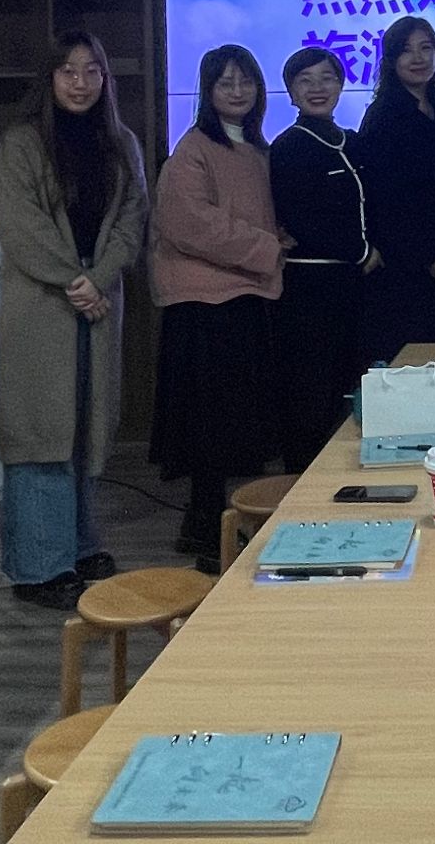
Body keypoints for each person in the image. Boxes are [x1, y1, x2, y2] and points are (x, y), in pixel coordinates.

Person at [0, 31, 148, 610]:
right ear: (50, 78)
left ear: (106, 79)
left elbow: (133, 218)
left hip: (96, 299)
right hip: (43, 304)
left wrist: (98, 277)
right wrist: (76, 282)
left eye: (92, 71)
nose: (80, 83)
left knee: (86, 426)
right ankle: (38, 567)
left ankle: (79, 546)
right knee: (41, 431)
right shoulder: (22, 142)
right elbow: (19, 225)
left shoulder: (122, 143)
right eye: (68, 71)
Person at [148, 44, 284, 568]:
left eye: (246, 81)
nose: (237, 91)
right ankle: (207, 530)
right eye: (225, 82)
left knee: (234, 422)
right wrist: (267, 248)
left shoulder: (257, 147)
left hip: (243, 297)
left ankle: (218, 526)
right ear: (207, 91)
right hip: (203, 306)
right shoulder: (193, 149)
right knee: (208, 426)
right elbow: (189, 224)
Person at [269, 47, 379, 467]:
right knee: (308, 395)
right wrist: (362, 251)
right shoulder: (289, 146)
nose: (318, 88)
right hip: (308, 288)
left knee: (345, 390)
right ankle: (301, 483)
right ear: (290, 91)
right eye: (305, 80)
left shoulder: (352, 141)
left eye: (327, 78)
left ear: (341, 84)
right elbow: (300, 219)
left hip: (353, 286)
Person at [356, 16, 435, 364]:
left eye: (426, 48)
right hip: (406, 268)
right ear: (391, 60)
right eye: (406, 50)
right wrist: (431, 256)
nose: (418, 58)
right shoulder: (383, 117)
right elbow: (387, 200)